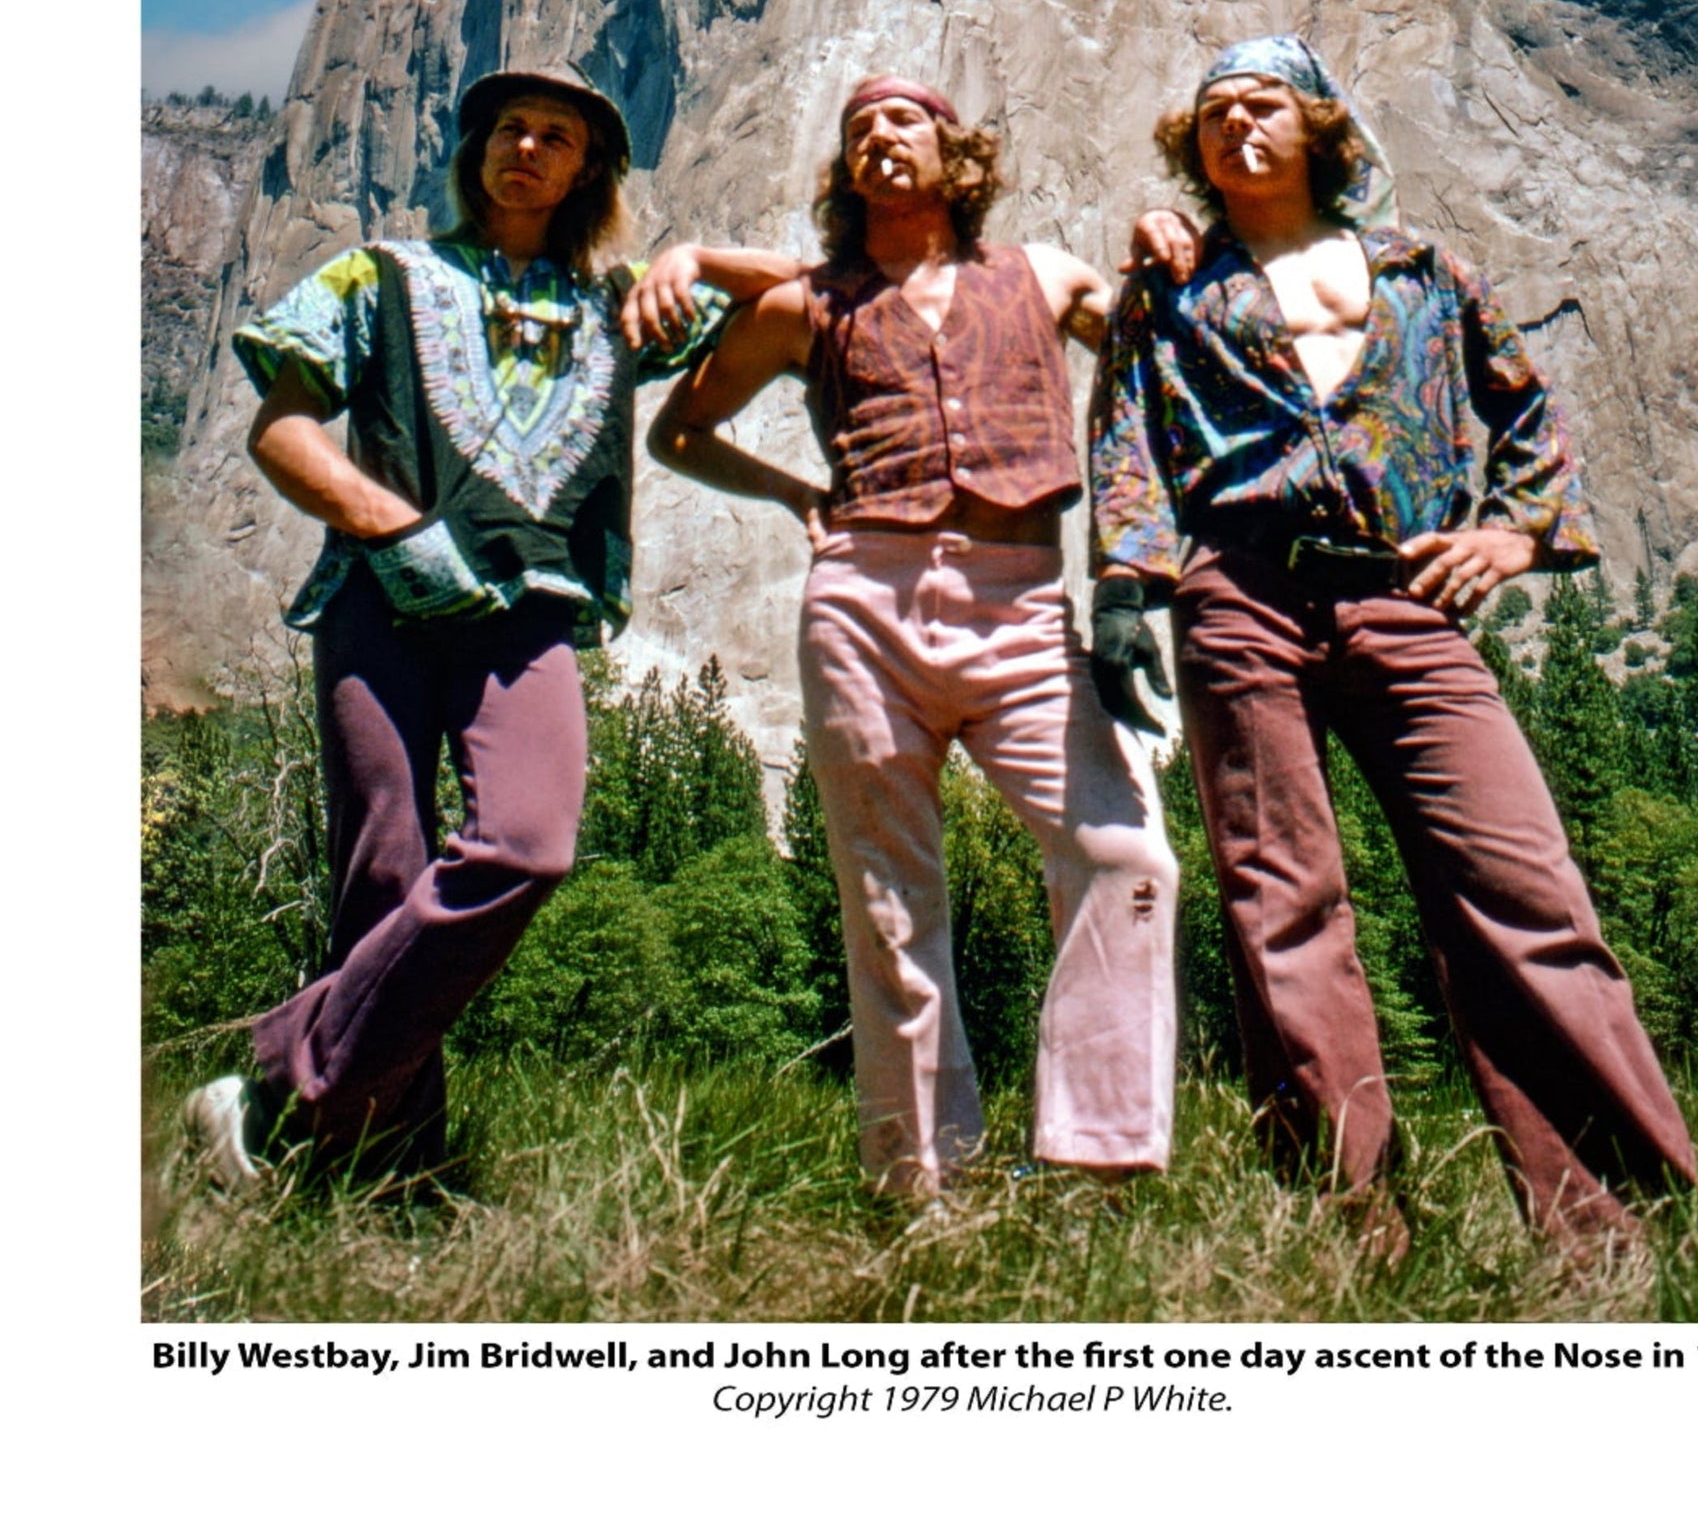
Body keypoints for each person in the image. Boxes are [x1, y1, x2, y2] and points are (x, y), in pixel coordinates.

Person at [1088, 35, 1696, 1246]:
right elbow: (1126, 434)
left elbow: (1523, 405)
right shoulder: (1172, 283)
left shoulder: (1423, 273)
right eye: (1212, 113)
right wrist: (1121, 588)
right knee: (1281, 903)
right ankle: (1346, 1230)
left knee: (1521, 888)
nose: (1234, 128)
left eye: (1261, 105)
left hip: (1405, 601)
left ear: (1319, 125)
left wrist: (1516, 536)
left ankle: (1614, 1231)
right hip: (1239, 596)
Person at [181, 68, 722, 1190]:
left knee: (530, 843)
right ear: (475, 148)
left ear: (590, 170)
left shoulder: (618, 309)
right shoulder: (376, 277)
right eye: (508, 129)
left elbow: (789, 293)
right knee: (382, 871)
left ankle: (278, 1075)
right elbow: (281, 429)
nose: (526, 149)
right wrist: (393, 526)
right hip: (380, 604)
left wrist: (696, 261)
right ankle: (383, 1175)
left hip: (530, 623)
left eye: (556, 137)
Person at [645, 77, 1178, 1199]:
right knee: (889, 903)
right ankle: (921, 1188)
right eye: (856, 133)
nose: (878, 139)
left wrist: (1169, 241)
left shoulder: (1039, 275)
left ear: (955, 153)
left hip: (1025, 605)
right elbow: (678, 431)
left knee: (1126, 857)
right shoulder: (807, 307)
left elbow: (1144, 342)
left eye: (901, 122)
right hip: (863, 604)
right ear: (843, 175)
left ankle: (1096, 1160)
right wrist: (796, 496)